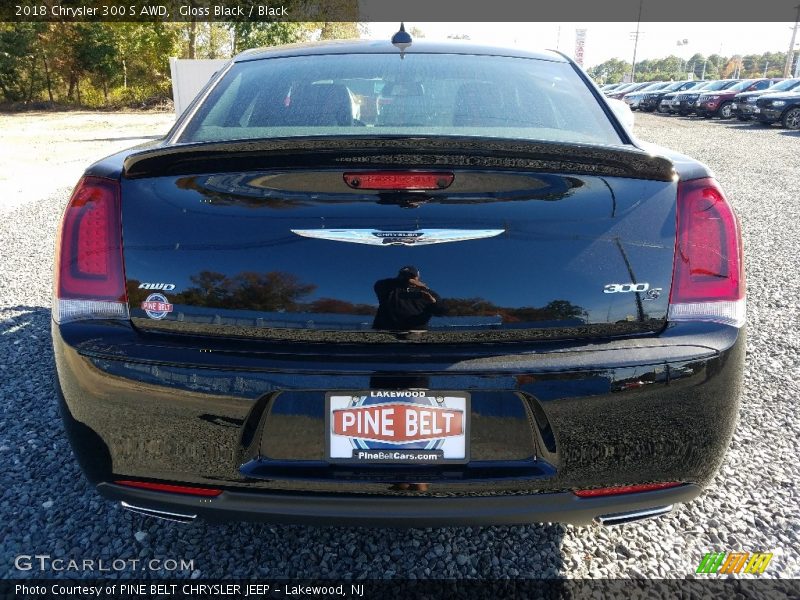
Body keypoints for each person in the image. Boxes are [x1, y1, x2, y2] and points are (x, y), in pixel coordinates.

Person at [372, 266, 446, 330]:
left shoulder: (428, 291)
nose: (407, 278)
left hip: (416, 333)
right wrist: (408, 280)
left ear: (418, 277)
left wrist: (432, 301)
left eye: (411, 275)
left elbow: (441, 312)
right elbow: (378, 284)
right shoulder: (388, 288)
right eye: (403, 275)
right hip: (385, 330)